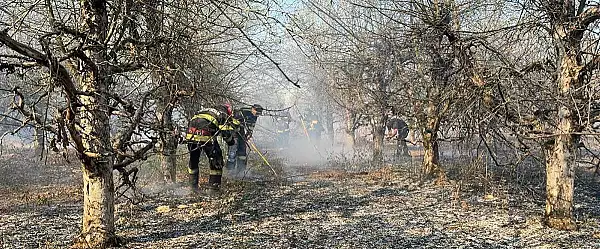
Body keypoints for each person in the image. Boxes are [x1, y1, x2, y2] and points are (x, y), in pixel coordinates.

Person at [185, 104, 235, 192]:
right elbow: (225, 133)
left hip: (191, 134)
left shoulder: (205, 110)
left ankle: (193, 187)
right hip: (205, 133)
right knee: (216, 159)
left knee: (193, 160)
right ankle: (214, 188)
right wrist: (231, 142)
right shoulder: (222, 114)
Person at [227, 104, 263, 174]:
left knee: (242, 148)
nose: (258, 115)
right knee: (233, 149)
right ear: (253, 109)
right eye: (257, 113)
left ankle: (241, 170)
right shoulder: (243, 111)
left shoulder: (255, 116)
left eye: (259, 114)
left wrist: (248, 134)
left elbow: (251, 126)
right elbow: (234, 122)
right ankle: (230, 170)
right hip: (233, 130)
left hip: (241, 130)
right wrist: (238, 128)